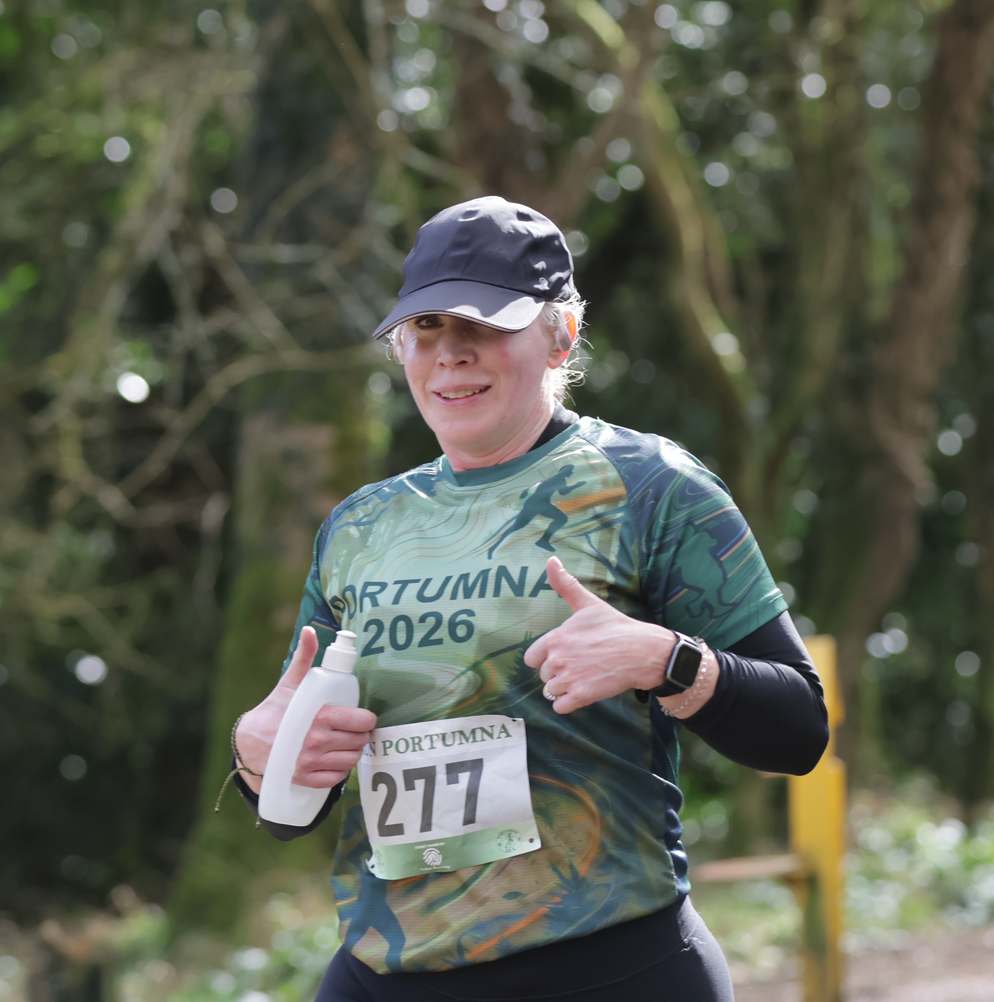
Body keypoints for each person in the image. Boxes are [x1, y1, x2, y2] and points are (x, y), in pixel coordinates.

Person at [226, 196, 829, 1000]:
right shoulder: (360, 527)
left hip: (612, 972)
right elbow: (291, 809)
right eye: (427, 328)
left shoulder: (652, 488)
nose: (451, 353)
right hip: (387, 974)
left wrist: (668, 660)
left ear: (561, 336)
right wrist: (258, 757)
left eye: (485, 323)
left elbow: (798, 730)